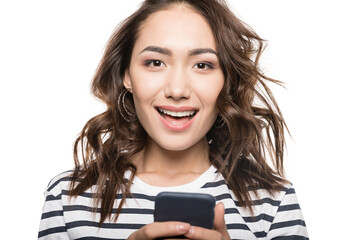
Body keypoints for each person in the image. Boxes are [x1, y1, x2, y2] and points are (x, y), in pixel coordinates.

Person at [38, 0, 309, 239]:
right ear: (126, 75)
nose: (177, 90)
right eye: (155, 63)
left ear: (226, 81)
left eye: (202, 65)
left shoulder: (273, 204)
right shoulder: (67, 199)